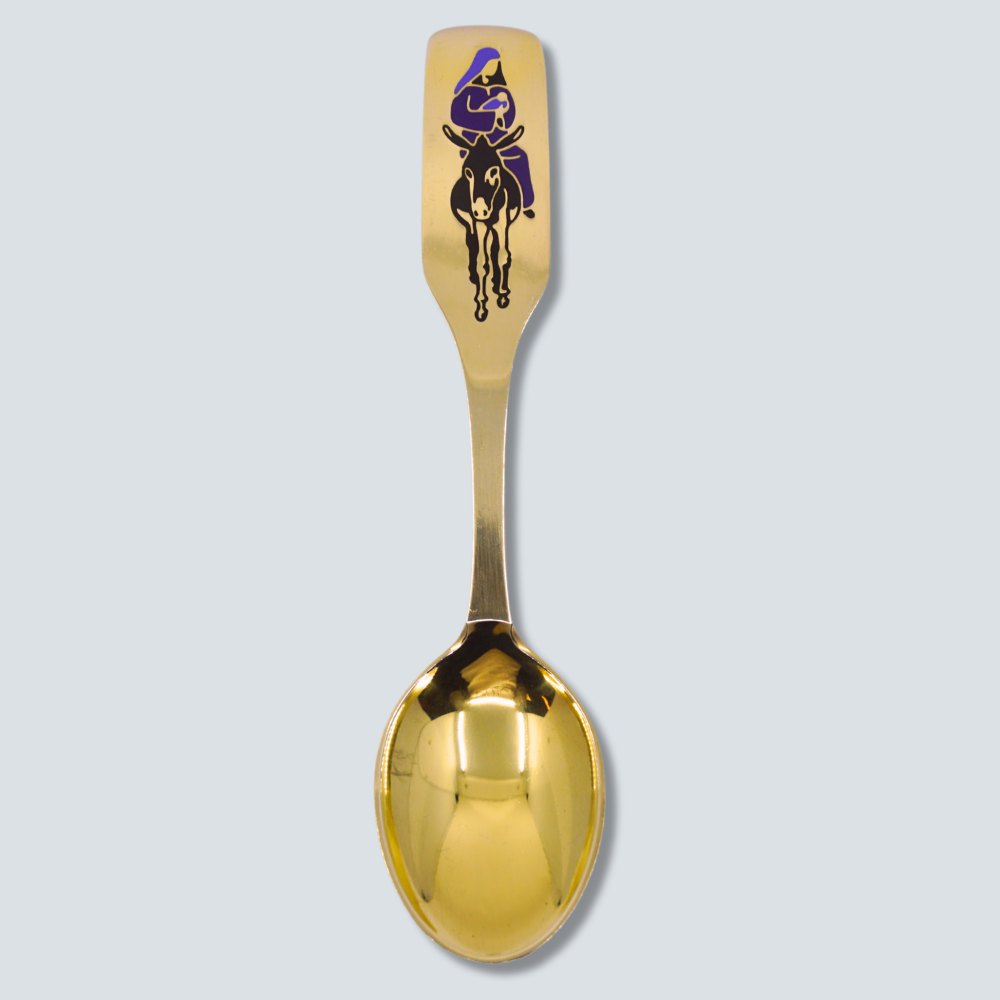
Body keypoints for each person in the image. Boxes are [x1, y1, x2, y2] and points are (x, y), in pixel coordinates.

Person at [450, 47, 535, 212]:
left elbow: (510, 118)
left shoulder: (501, 90)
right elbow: (457, 115)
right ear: (481, 65)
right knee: (479, 167)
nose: (494, 67)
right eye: (490, 64)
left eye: (496, 64)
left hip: (498, 138)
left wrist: (502, 114)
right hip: (473, 141)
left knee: (520, 157)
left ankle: (525, 203)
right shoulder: (468, 91)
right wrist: (490, 115)